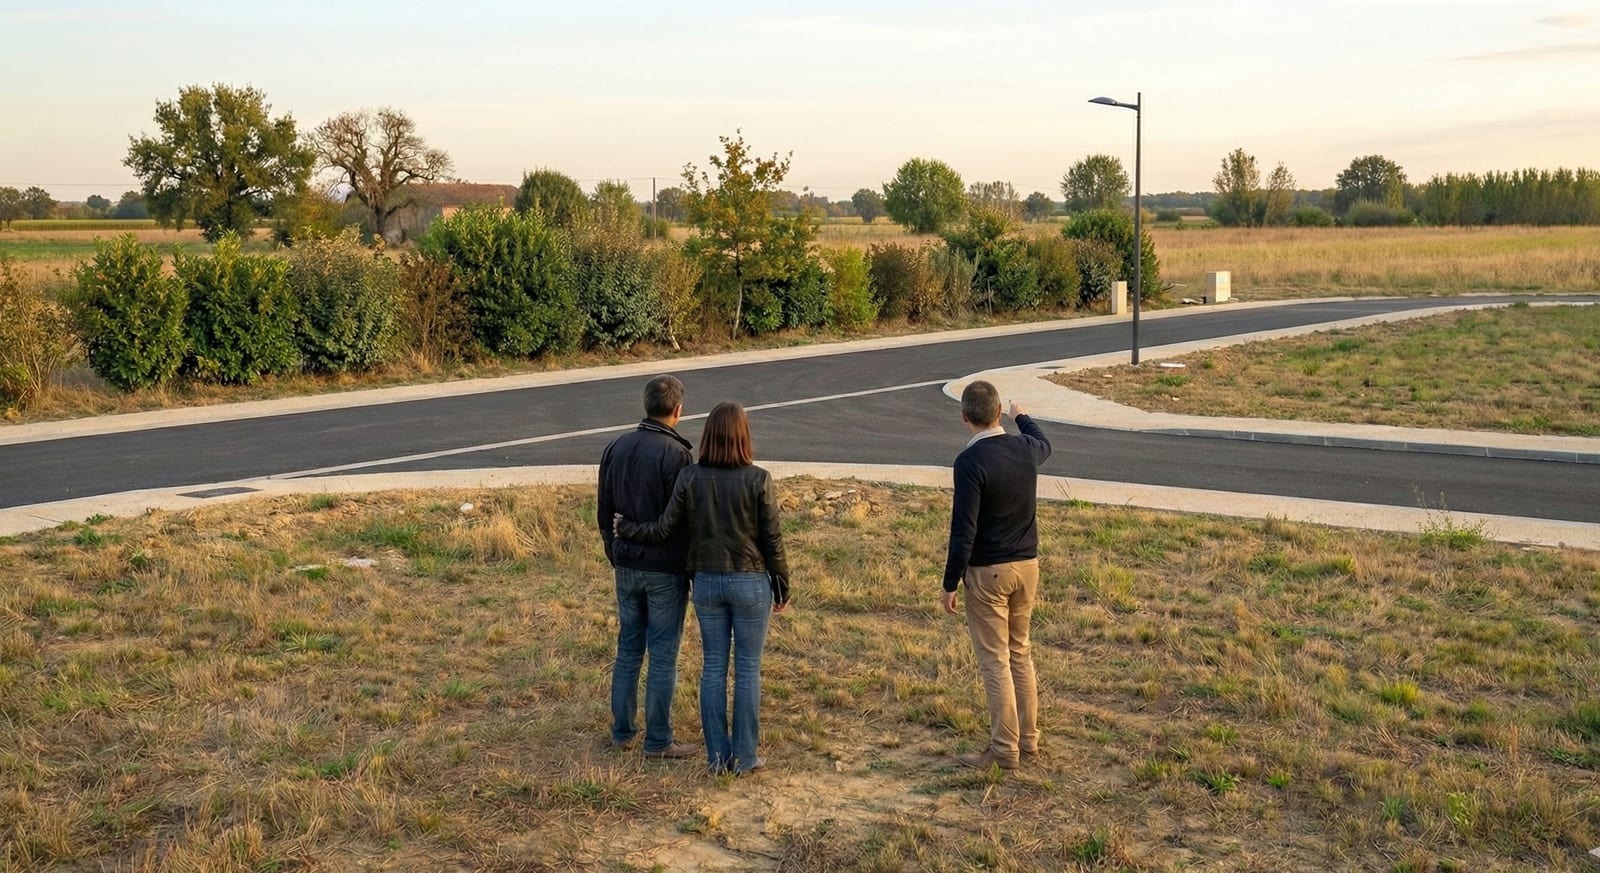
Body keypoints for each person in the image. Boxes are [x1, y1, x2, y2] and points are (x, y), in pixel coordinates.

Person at [615, 401, 790, 775]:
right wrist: (782, 586)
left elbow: (663, 529)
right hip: (750, 581)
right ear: (744, 436)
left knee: (713, 667)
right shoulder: (759, 479)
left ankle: (717, 758)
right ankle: (745, 757)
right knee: (747, 669)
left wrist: (626, 528)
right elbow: (772, 539)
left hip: (707, 582)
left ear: (708, 436)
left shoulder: (690, 477)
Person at [941, 380, 1052, 771]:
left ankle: (1004, 749)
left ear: (964, 417)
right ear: (999, 411)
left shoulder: (969, 463)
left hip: (988, 572)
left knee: (995, 662)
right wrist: (1024, 417)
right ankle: (1029, 739)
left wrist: (950, 582)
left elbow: (964, 529)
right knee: (1020, 652)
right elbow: (1044, 442)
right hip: (1027, 567)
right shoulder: (1026, 449)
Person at [597, 375, 697, 760]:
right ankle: (658, 740)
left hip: (625, 563)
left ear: (646, 404)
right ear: (678, 410)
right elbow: (682, 521)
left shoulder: (616, 446)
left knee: (628, 649)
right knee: (663, 654)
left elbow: (604, 509)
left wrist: (614, 550)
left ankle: (622, 732)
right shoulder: (677, 455)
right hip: (665, 568)